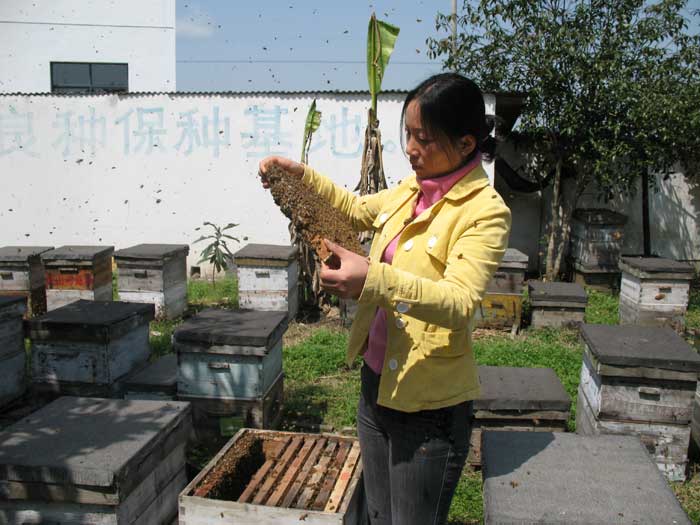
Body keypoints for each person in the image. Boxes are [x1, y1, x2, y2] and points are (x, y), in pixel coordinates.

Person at [259, 72, 511, 525]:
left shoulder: (486, 212)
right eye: (408, 134)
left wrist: (373, 278)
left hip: (429, 405)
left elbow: (459, 303)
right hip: (375, 384)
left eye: (425, 139)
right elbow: (356, 209)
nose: (411, 148)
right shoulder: (412, 190)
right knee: (377, 515)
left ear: (467, 143)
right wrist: (302, 178)